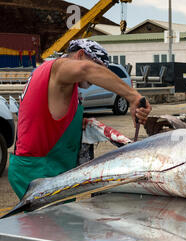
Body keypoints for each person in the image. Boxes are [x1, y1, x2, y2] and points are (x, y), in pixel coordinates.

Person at [8, 39, 152, 199]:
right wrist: (133, 96)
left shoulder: (64, 84)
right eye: (98, 67)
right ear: (80, 54)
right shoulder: (58, 68)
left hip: (53, 169)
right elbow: (86, 69)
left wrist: (78, 125)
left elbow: (47, 118)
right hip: (40, 171)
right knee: (49, 223)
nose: (96, 78)